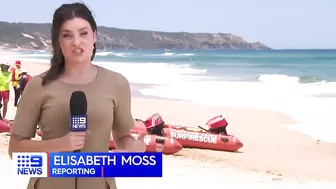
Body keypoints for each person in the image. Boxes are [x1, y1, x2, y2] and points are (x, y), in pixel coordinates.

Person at [8, 3, 146, 189]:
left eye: (83, 33)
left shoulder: (117, 83)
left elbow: (121, 137)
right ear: (58, 41)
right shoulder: (38, 85)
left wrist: (132, 149)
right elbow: (15, 149)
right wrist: (58, 144)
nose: (76, 42)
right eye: (67, 35)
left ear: (94, 36)